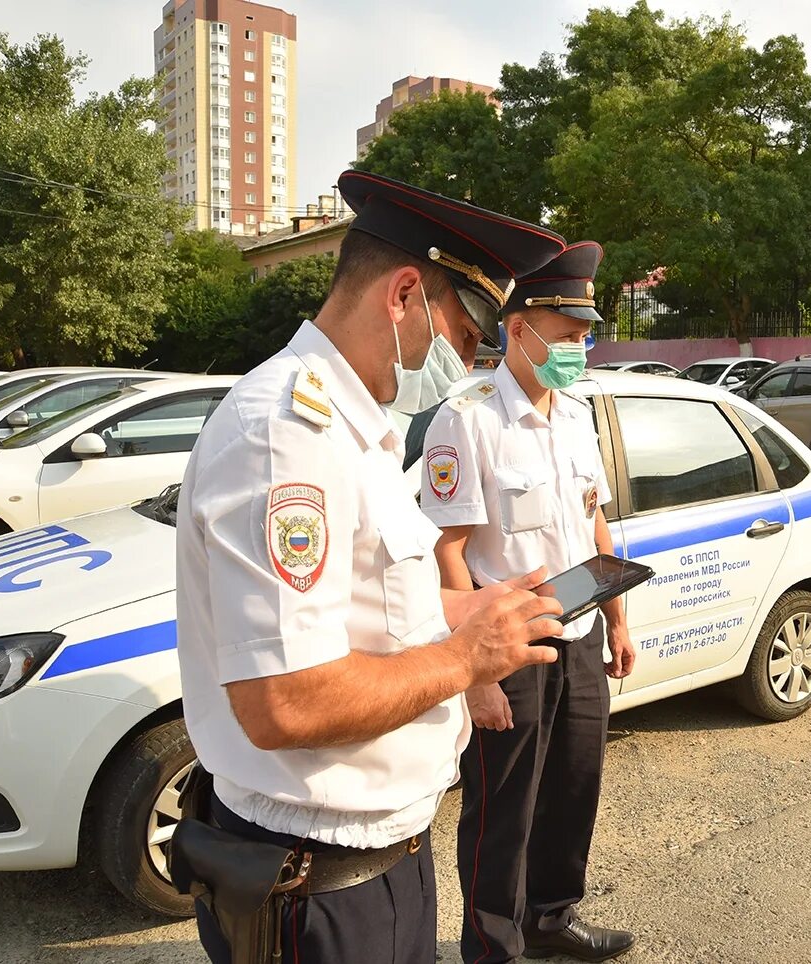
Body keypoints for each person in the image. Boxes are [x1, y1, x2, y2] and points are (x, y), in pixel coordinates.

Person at [174, 170, 570, 964]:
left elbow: (366, 613)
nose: (466, 364)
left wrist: (472, 613)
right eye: (464, 338)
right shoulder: (286, 434)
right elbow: (282, 703)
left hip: (374, 863)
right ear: (403, 296)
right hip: (316, 888)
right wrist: (466, 659)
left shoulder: (359, 431)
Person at [418, 242, 636, 963]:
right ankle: (492, 944)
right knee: (502, 809)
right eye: (569, 335)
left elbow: (592, 518)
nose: (581, 349)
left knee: (575, 787)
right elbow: (448, 551)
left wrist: (617, 619)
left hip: (576, 632)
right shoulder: (468, 419)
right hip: (506, 643)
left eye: (586, 336)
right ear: (519, 328)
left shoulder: (575, 416)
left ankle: (551, 917)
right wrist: (473, 673)